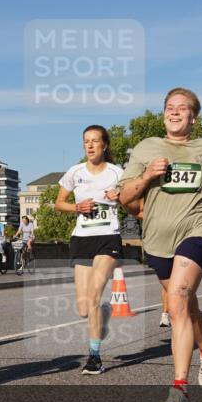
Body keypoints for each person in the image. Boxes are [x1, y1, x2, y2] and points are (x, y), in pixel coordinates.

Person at [119, 87, 202, 402]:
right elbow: (124, 196)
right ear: (164, 114)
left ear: (193, 116)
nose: (175, 112)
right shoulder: (147, 148)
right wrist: (147, 176)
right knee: (186, 306)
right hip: (158, 237)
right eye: (169, 107)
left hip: (198, 228)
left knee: (178, 298)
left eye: (182, 108)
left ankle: (179, 391)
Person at [55, 125, 124, 375]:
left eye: (95, 141)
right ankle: (104, 314)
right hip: (82, 238)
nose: (91, 145)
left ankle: (94, 357)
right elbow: (58, 203)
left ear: (105, 145)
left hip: (108, 237)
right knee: (84, 308)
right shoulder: (75, 172)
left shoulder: (117, 173)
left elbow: (136, 201)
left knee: (93, 296)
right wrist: (77, 208)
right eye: (87, 142)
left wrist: (120, 196)